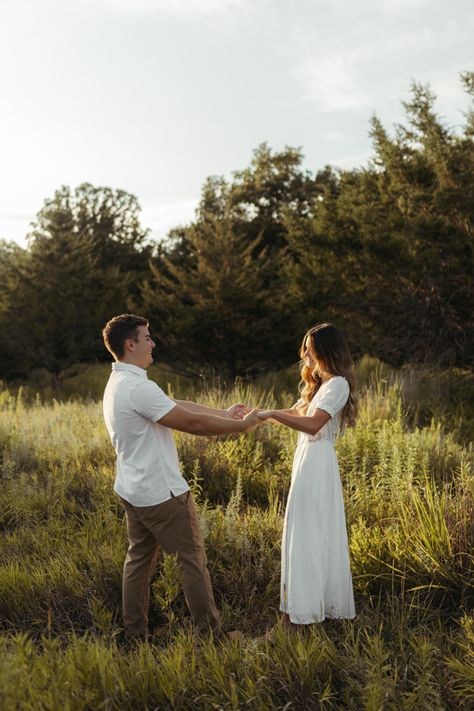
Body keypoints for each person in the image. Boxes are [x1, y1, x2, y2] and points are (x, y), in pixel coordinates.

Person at [101, 313, 259, 641]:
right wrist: (241, 426)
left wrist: (223, 413)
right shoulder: (136, 388)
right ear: (130, 345)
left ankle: (134, 636)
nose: (152, 343)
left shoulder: (121, 382)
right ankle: (213, 638)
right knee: (192, 563)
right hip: (162, 495)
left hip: (133, 491)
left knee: (138, 563)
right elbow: (192, 424)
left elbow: (174, 405)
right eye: (147, 338)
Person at [257, 323, 356, 629]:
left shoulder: (338, 384)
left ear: (326, 351)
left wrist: (271, 415)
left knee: (309, 536)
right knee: (301, 535)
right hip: (306, 460)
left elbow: (313, 425)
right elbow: (297, 413)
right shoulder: (320, 385)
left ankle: (299, 618)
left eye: (311, 348)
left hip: (318, 464)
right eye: (306, 348)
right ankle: (301, 612)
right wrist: (260, 413)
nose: (306, 353)